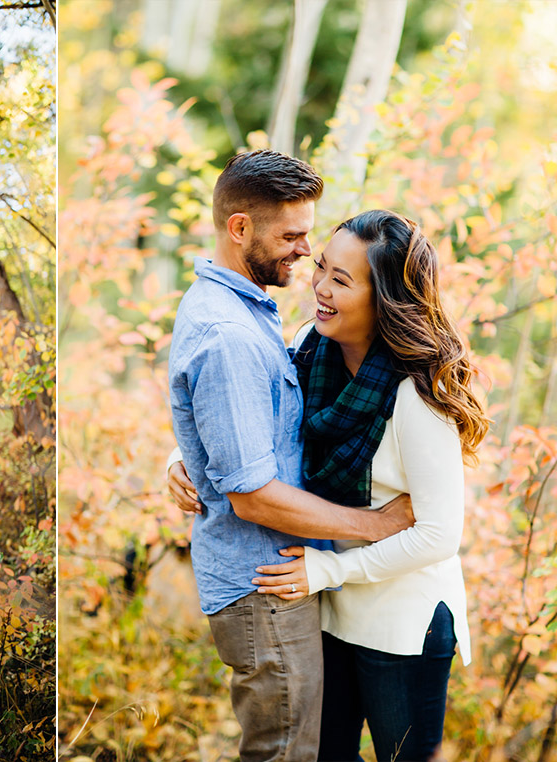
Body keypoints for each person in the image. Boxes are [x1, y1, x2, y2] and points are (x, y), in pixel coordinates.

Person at [170, 210, 489, 761]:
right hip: (329, 607)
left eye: (341, 280)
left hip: (400, 621)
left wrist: (331, 568)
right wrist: (182, 454)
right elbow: (243, 414)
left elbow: (438, 535)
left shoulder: (418, 391)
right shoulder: (309, 349)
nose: (319, 287)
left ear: (385, 298)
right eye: (321, 268)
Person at [167, 150, 415, 762]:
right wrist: (378, 525)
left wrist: (181, 456)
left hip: (281, 579)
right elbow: (252, 495)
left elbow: (248, 429)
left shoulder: (245, 311)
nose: (304, 250)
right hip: (265, 584)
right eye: (293, 235)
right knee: (285, 754)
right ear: (240, 228)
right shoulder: (228, 333)